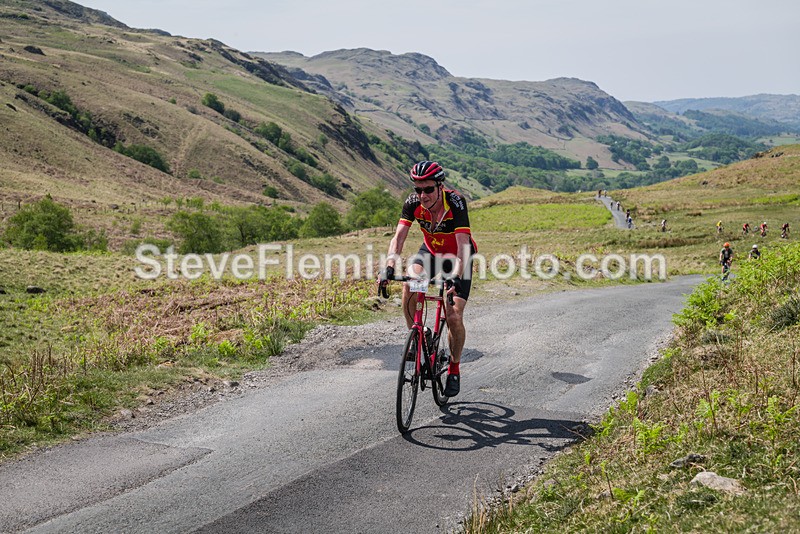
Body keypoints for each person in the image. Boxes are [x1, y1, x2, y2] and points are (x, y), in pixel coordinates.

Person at [379, 161, 477, 397]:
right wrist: (389, 266)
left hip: (458, 256)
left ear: (440, 186)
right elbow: (398, 238)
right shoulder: (413, 203)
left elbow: (464, 244)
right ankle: (417, 333)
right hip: (431, 252)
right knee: (410, 281)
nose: (422, 195)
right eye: (418, 189)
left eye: (428, 189)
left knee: (453, 313)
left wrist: (454, 276)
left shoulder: (455, 202)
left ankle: (454, 368)